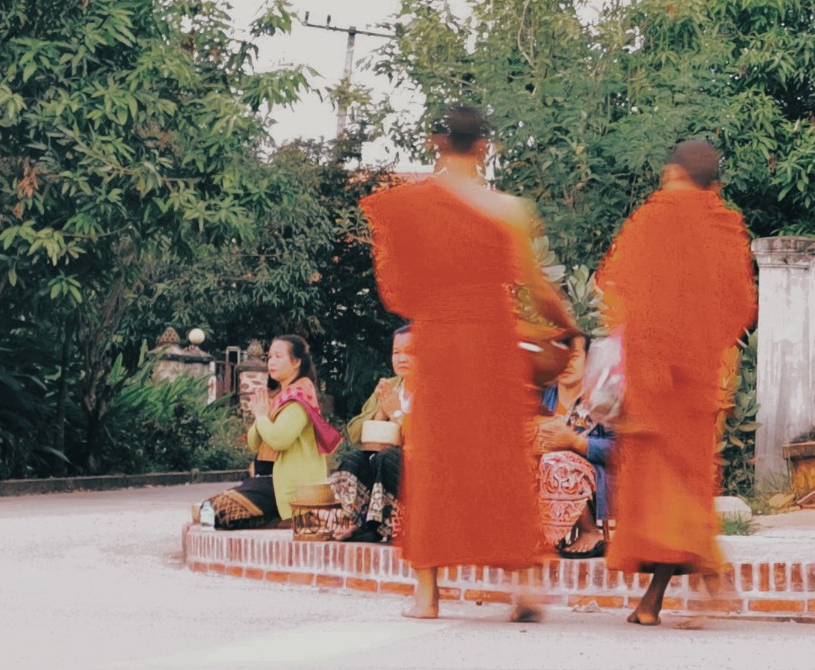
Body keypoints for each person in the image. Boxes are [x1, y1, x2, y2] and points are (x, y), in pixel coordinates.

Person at [360, 105, 577, 622]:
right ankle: (523, 583)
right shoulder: (506, 208)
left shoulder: (413, 205)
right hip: (492, 341)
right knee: (498, 457)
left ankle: (427, 594)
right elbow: (534, 282)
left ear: (437, 142)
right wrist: (567, 326)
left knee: (434, 459)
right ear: (484, 146)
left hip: (439, 342)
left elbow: (394, 291)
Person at [598, 139, 757, 626]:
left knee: (663, 489)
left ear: (672, 172)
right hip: (695, 378)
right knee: (682, 484)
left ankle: (708, 581)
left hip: (652, 375)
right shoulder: (724, 226)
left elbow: (614, 290)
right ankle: (659, 598)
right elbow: (740, 308)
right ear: (715, 182)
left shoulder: (651, 219)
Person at [208, 335, 337, 530]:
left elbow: (278, 440)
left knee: (219, 511)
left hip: (290, 486)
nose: (271, 362)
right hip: (270, 481)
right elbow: (254, 443)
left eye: (278, 356)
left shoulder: (299, 398)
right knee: (208, 509)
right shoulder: (281, 397)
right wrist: (261, 416)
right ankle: (274, 518)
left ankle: (283, 518)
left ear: (296, 362)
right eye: (269, 357)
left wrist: (261, 416)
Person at [332, 325, 413, 543]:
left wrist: (397, 412)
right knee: (354, 459)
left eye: (411, 352)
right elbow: (354, 431)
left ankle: (398, 524)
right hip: (386, 461)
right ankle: (357, 523)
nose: (402, 358)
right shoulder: (389, 386)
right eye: (397, 352)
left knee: (387, 458)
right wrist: (381, 412)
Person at [535, 332, 613, 558]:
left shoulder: (601, 400)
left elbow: (624, 451)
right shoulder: (540, 396)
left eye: (575, 356)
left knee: (557, 461)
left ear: (588, 362)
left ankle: (590, 530)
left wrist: (576, 442)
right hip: (541, 475)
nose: (567, 363)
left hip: (592, 478)